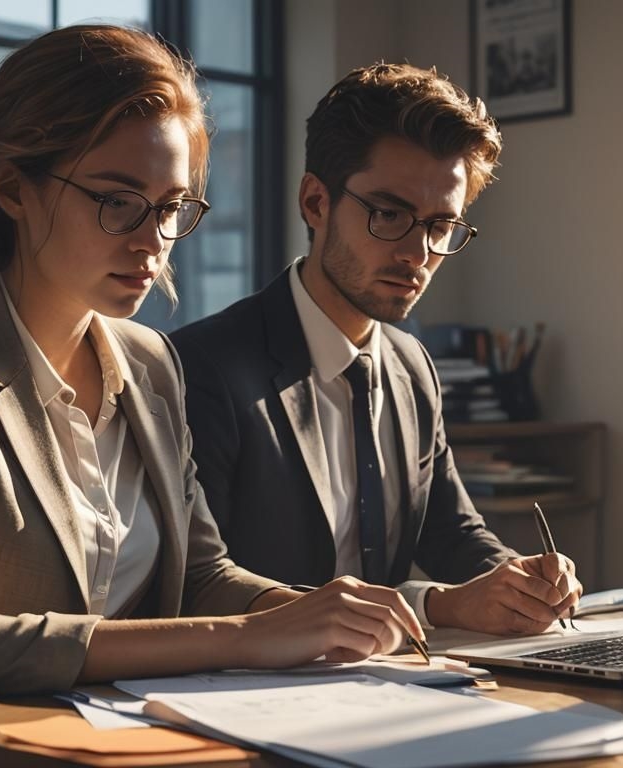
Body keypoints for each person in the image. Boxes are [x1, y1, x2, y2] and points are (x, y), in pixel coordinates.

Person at [0, 27, 421, 768]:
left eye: (171, 208)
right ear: (13, 189)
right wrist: (243, 639)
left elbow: (198, 575)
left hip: (106, 747)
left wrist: (312, 612)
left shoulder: (150, 362)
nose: (152, 241)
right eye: (119, 202)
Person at [170, 63, 582, 637]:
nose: (418, 252)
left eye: (442, 225)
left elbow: (452, 532)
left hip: (390, 683)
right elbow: (197, 587)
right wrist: (435, 604)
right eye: (390, 215)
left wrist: (520, 581)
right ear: (316, 202)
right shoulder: (201, 367)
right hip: (256, 692)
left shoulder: (412, 366)